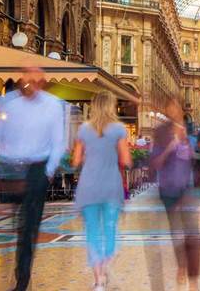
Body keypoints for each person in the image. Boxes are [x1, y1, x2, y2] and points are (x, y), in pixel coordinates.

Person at [0, 71, 68, 291]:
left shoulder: (53, 105)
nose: (30, 83)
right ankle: (4, 269)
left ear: (42, 82)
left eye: (35, 79)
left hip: (36, 171)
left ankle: (21, 280)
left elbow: (58, 142)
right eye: (27, 77)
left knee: (28, 228)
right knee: (4, 226)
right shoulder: (7, 103)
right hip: (8, 171)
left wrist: (48, 171)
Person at [72, 93, 130, 291]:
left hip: (88, 186)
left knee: (93, 233)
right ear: (111, 106)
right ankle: (104, 269)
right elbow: (126, 160)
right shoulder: (119, 129)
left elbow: (76, 161)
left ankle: (98, 281)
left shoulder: (83, 129)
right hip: (110, 186)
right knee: (110, 229)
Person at [148, 97, 199, 290]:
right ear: (168, 110)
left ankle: (193, 279)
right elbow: (155, 162)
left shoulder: (189, 132)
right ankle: (181, 265)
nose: (175, 110)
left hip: (187, 188)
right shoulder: (160, 132)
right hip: (168, 189)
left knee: (192, 233)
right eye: (172, 107)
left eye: (178, 107)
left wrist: (189, 146)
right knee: (177, 233)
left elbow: (193, 159)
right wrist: (172, 145)